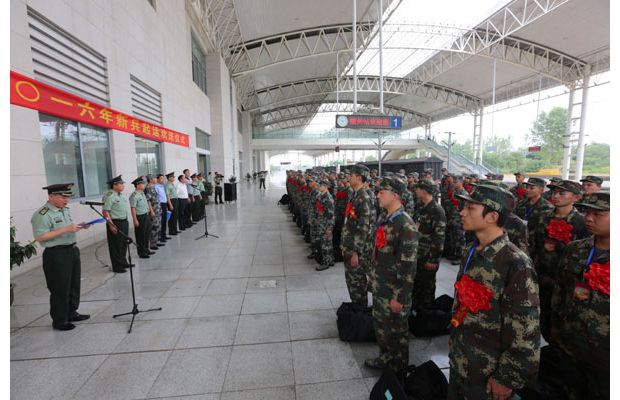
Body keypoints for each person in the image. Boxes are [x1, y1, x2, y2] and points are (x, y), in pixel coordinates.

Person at [448, 184, 540, 399]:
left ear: (492, 217)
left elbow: (526, 330)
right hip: (462, 357)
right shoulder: (472, 250)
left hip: (488, 371)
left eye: (471, 208)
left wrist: (507, 377)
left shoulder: (515, 263)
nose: (462, 212)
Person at [549, 191, 609, 400]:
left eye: (598, 214)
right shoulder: (575, 249)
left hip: (606, 349)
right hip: (572, 340)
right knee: (571, 389)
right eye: (587, 212)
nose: (589, 218)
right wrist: (555, 324)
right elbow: (560, 289)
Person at [365, 177, 419, 371]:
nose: (377, 195)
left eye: (382, 192)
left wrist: (400, 297)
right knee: (382, 327)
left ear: (395, 195)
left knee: (396, 331)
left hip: (394, 290)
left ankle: (398, 369)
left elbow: (408, 266)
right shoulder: (385, 218)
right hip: (381, 285)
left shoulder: (405, 225)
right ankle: (385, 358)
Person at [531, 180, 588, 342]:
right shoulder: (543, 217)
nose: (556, 196)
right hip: (541, 277)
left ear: (576, 198)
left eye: (562, 193)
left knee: (561, 321)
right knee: (541, 317)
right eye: (555, 192)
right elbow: (535, 245)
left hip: (564, 282)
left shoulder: (581, 223)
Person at [31, 183, 91, 331]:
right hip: (56, 254)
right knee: (60, 287)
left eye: (68, 197)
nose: (66, 200)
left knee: (73, 284)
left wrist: (78, 226)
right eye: (63, 197)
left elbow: (66, 229)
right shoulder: (42, 214)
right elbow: (40, 237)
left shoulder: (64, 210)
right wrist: (65, 229)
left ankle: (71, 312)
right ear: (51, 196)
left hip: (71, 250)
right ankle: (60, 319)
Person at [340, 164, 373, 307]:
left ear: (359, 178)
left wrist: (355, 252)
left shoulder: (363, 198)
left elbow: (363, 228)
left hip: (356, 250)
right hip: (349, 246)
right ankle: (356, 307)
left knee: (357, 283)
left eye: (351, 175)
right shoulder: (355, 195)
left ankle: (360, 311)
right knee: (352, 282)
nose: (349, 177)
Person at [411, 178, 446, 310]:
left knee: (427, 289)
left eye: (418, 188)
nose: (416, 190)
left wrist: (433, 259)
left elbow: (439, 237)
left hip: (428, 257)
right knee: (417, 287)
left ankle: (426, 315)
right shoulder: (421, 206)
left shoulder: (437, 211)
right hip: (418, 254)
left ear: (424, 191)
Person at [102, 175, 130, 273]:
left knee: (123, 243)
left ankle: (123, 261)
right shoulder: (109, 196)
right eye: (121, 184)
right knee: (116, 245)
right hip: (115, 222)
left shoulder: (120, 195)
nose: (123, 185)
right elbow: (105, 211)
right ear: (114, 185)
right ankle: (117, 266)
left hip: (123, 221)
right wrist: (111, 225)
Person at [515, 177, 554, 241]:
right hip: (518, 238)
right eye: (526, 187)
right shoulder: (521, 203)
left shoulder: (548, 207)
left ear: (541, 190)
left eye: (531, 188)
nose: (527, 190)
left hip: (535, 241)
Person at [130, 176, 154, 259]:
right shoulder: (134, 195)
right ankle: (141, 252)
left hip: (146, 215)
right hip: (140, 217)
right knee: (140, 235)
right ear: (137, 185)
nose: (144, 185)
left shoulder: (142, 193)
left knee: (147, 233)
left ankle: (146, 249)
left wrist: (150, 212)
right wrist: (135, 220)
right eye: (142, 184)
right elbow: (133, 208)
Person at [315, 180, 335, 271]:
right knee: (327, 243)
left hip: (326, 225)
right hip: (322, 223)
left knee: (325, 244)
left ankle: (326, 263)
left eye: (321, 185)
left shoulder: (328, 198)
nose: (319, 187)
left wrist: (329, 228)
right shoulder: (321, 196)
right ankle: (330, 260)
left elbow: (330, 215)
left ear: (326, 186)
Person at [144, 175, 163, 251]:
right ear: (151, 180)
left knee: (158, 226)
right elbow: (148, 200)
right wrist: (151, 211)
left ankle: (156, 241)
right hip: (154, 210)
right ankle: (152, 244)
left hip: (157, 209)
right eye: (154, 178)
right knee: (154, 227)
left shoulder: (153, 187)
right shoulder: (148, 188)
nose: (156, 179)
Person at [156, 174, 172, 241]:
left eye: (163, 178)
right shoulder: (156, 187)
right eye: (161, 178)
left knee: (165, 220)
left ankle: (164, 235)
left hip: (164, 204)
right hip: (160, 204)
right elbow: (157, 197)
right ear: (158, 179)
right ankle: (161, 237)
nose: (163, 180)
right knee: (161, 221)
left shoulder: (162, 186)